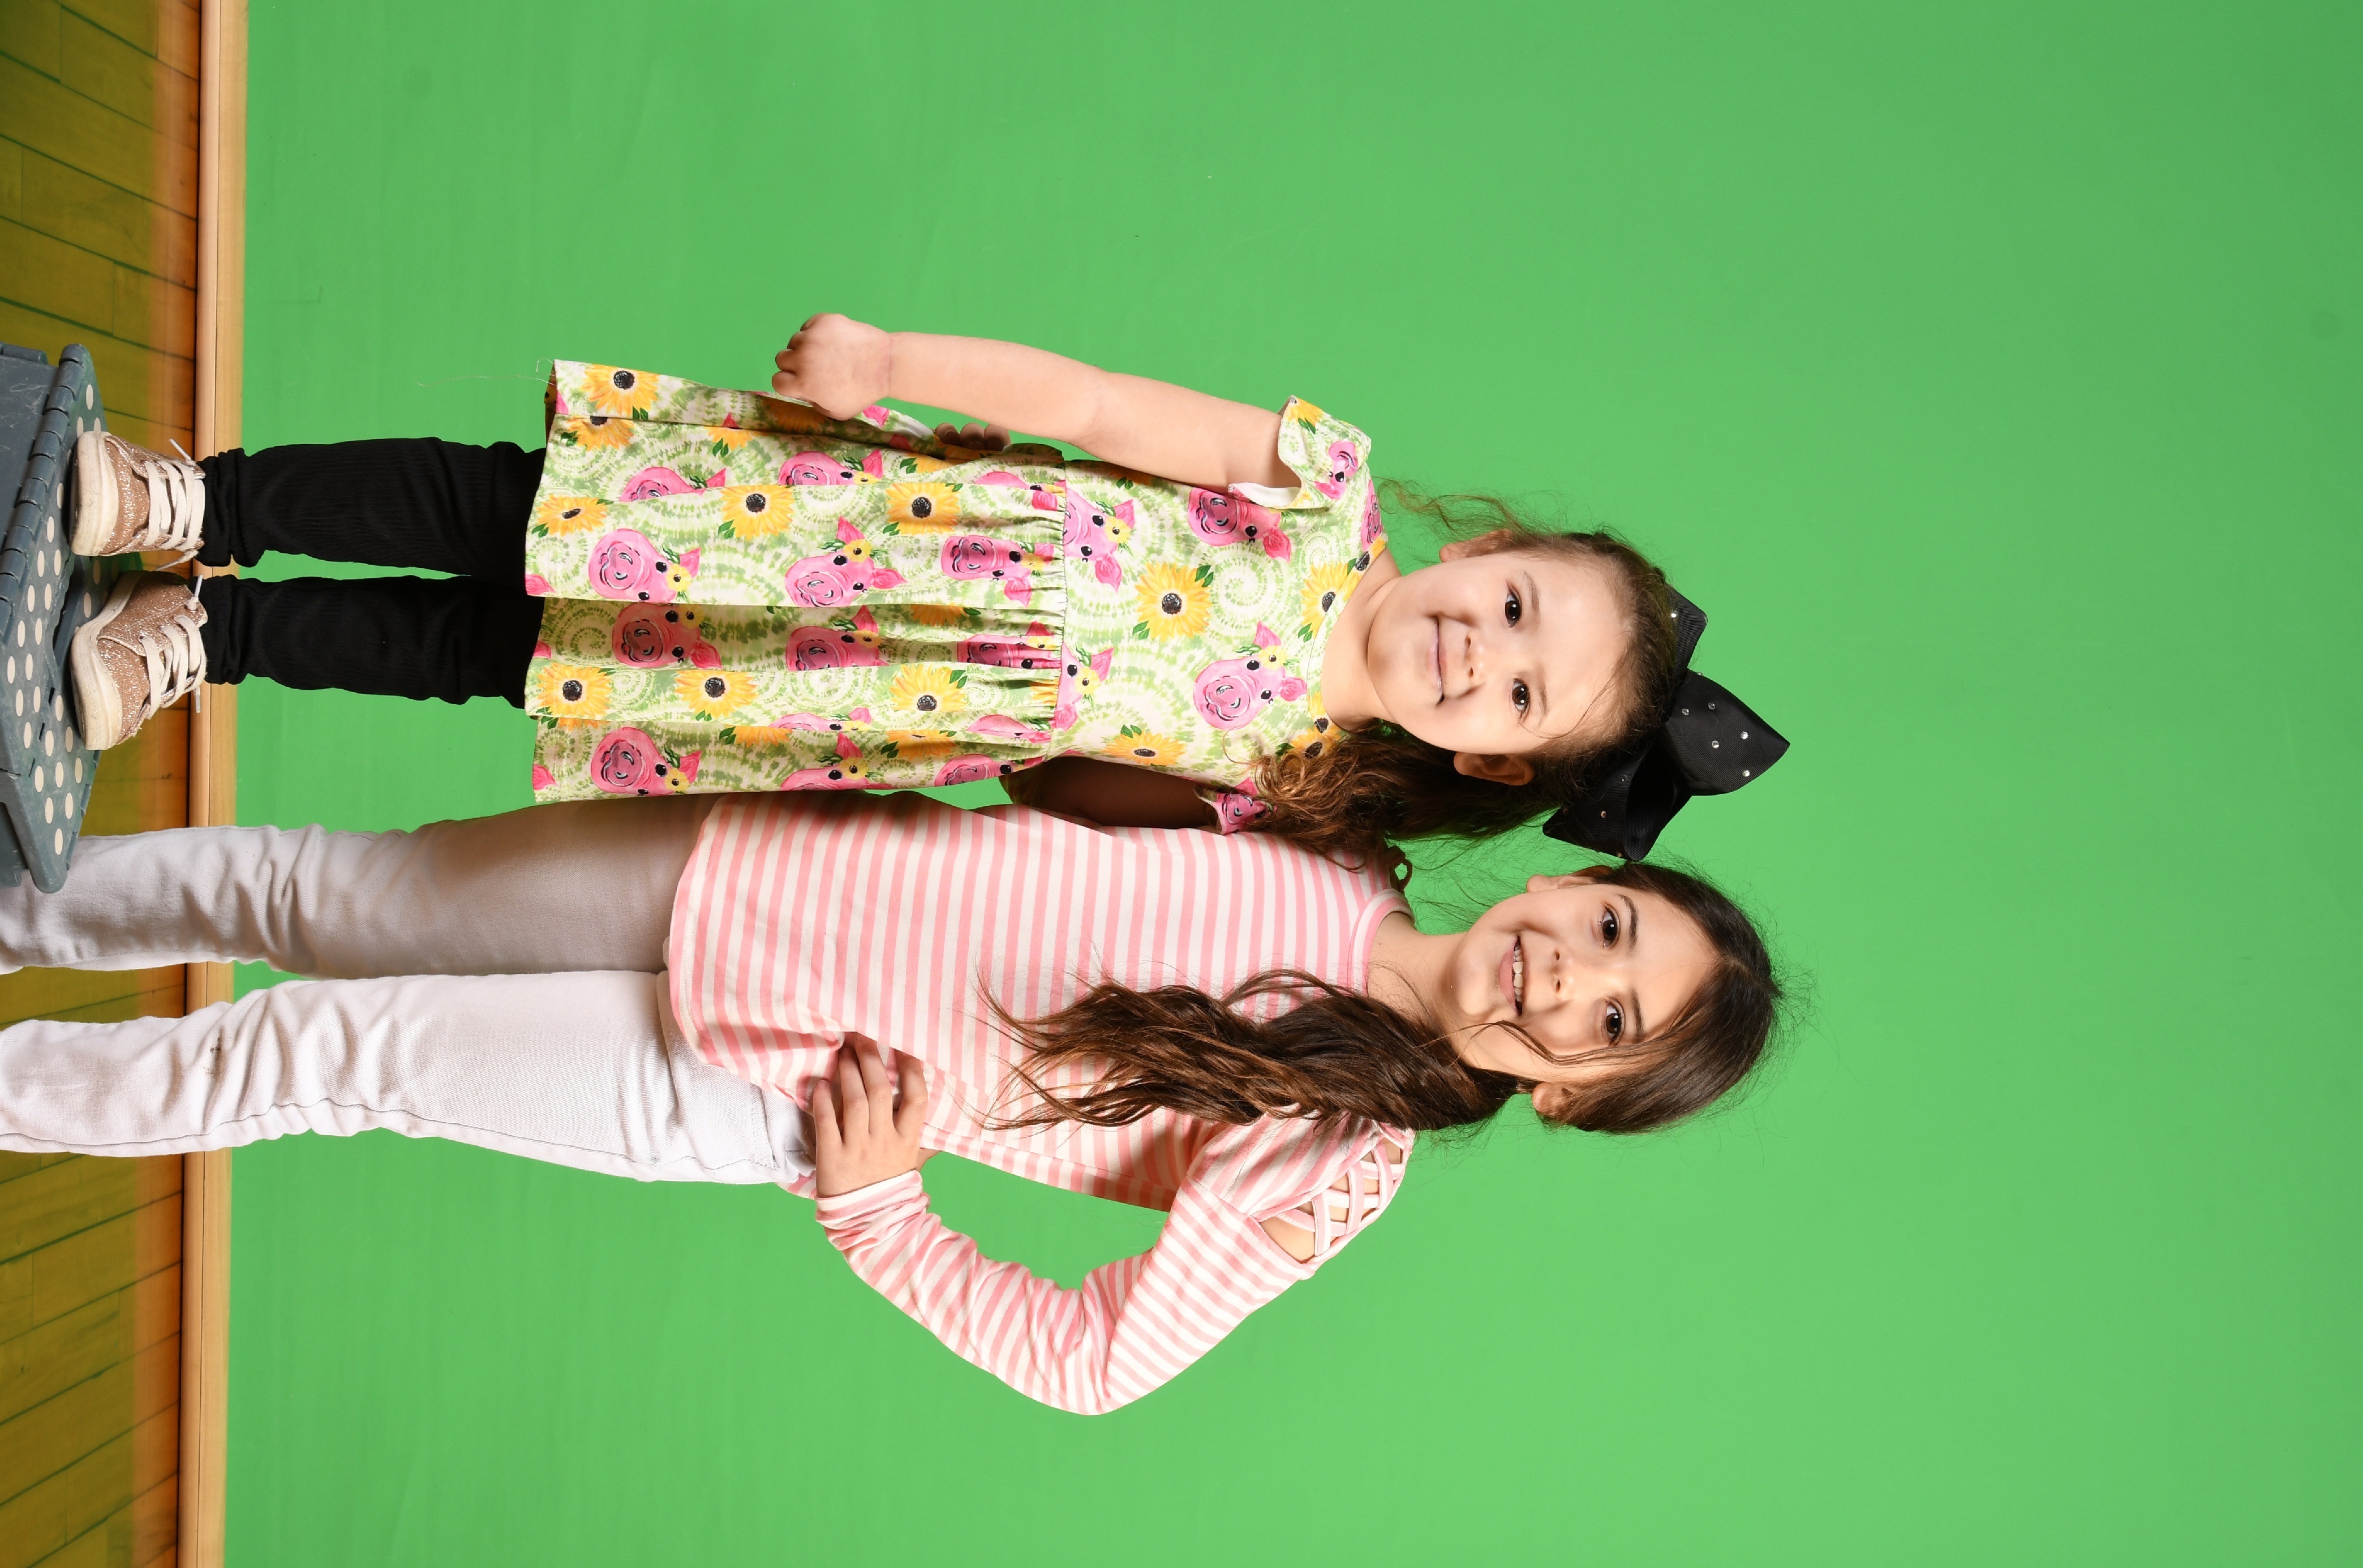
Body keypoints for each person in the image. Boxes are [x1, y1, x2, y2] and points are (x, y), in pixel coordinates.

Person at [0, 790, 1781, 1413]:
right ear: (1575, 879)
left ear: (1574, 1100)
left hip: (757, 1076)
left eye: (1613, 1026)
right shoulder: (1334, 828)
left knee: (320, 1056)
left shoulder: (1339, 1158)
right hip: (754, 862)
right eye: (1610, 931)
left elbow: (1100, 1363)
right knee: (323, 888)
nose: (1567, 979)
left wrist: (882, 1213)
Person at [62, 314, 1783, 859]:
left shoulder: (1285, 784)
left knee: (500, 656)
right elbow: (1098, 407)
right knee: (507, 506)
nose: (1478, 652)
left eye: (1518, 697)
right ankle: (199, 497)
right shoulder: (1317, 491)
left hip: (850, 691)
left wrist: (1182, 817)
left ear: (1488, 756)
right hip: (836, 516)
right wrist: (893, 362)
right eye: (1515, 606)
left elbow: (1051, 792)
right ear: (1487, 551)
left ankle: (213, 631)